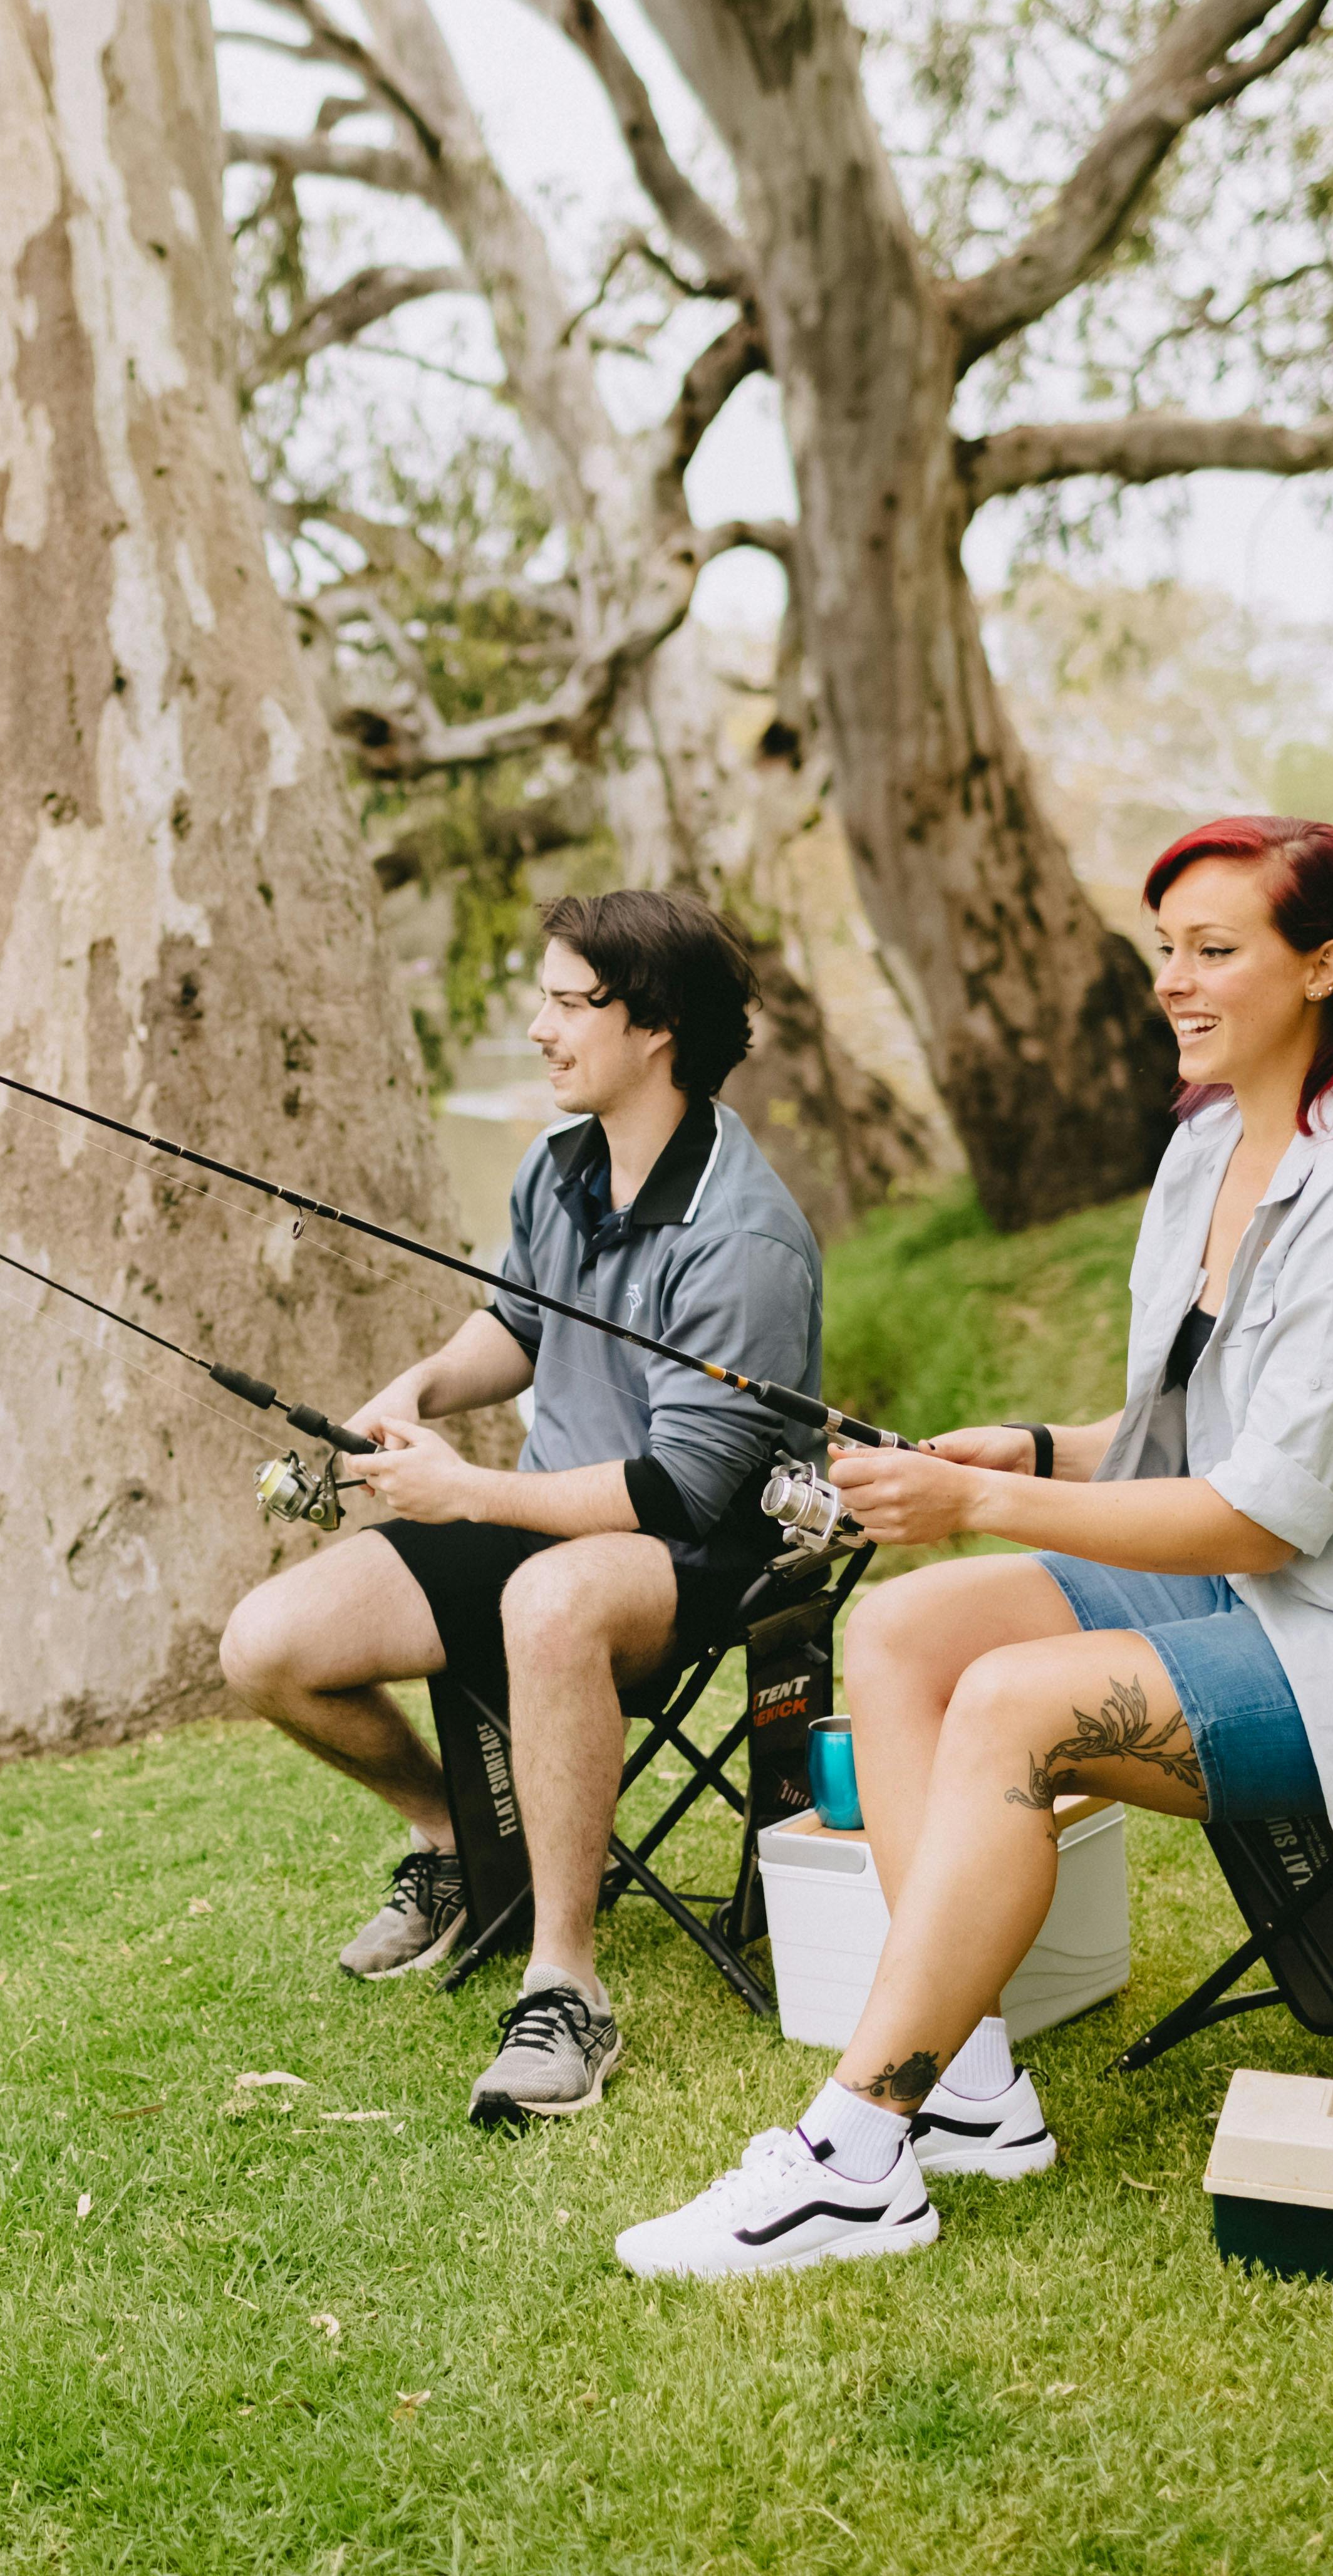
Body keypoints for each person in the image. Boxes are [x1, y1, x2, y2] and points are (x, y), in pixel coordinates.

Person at [612, 815, 1333, 2277]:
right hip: (1245, 1586)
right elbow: (1194, 1429)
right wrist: (1035, 1451)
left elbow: (1261, 1511)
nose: (1174, 984)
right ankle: (975, 2086)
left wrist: (976, 1505)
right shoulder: (1208, 1144)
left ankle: (857, 2148)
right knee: (898, 1632)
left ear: (1325, 966)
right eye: (1164, 951)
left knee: (1011, 1697)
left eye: (1216, 951)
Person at [218, 890, 821, 2127]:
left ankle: (567, 1981)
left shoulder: (744, 1238)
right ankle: (460, 1845)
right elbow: (521, 1323)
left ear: (653, 1025)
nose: (539, 1026)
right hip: (545, 1521)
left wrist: (470, 1489)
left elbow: (680, 1487)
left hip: (695, 1555)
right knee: (265, 1645)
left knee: (548, 1599)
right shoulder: (562, 1165)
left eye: (565, 1000)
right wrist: (423, 1385)